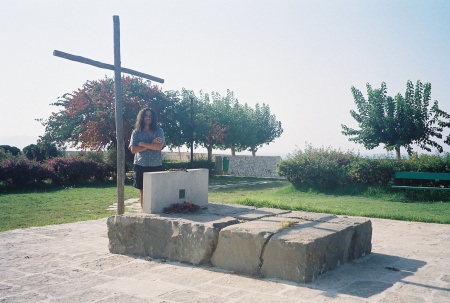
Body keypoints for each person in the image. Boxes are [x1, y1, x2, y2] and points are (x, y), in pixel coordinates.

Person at [129, 107, 166, 208]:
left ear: (153, 118)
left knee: (156, 190)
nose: (148, 118)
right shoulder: (136, 132)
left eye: (150, 116)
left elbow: (159, 147)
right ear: (142, 117)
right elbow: (133, 150)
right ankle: (144, 212)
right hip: (140, 165)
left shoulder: (159, 131)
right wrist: (151, 144)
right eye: (146, 115)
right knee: (143, 191)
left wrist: (142, 144)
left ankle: (156, 212)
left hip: (156, 165)